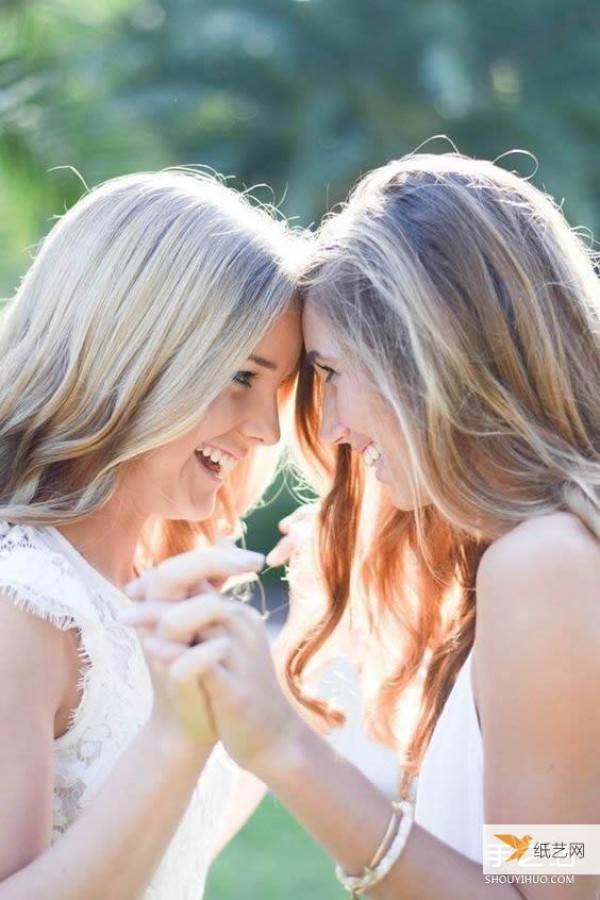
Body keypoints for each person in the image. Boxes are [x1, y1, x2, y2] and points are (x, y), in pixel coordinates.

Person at [126, 153, 600, 899]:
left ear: (429, 363)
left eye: (333, 374)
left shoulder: (545, 564)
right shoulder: (540, 557)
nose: (335, 428)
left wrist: (284, 746)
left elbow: (555, 891)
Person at [0, 169, 304, 898]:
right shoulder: (25, 604)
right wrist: (179, 734)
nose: (266, 429)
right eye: (240, 375)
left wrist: (307, 645)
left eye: (279, 391)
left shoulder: (137, 579)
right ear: (133, 351)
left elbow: (168, 849)